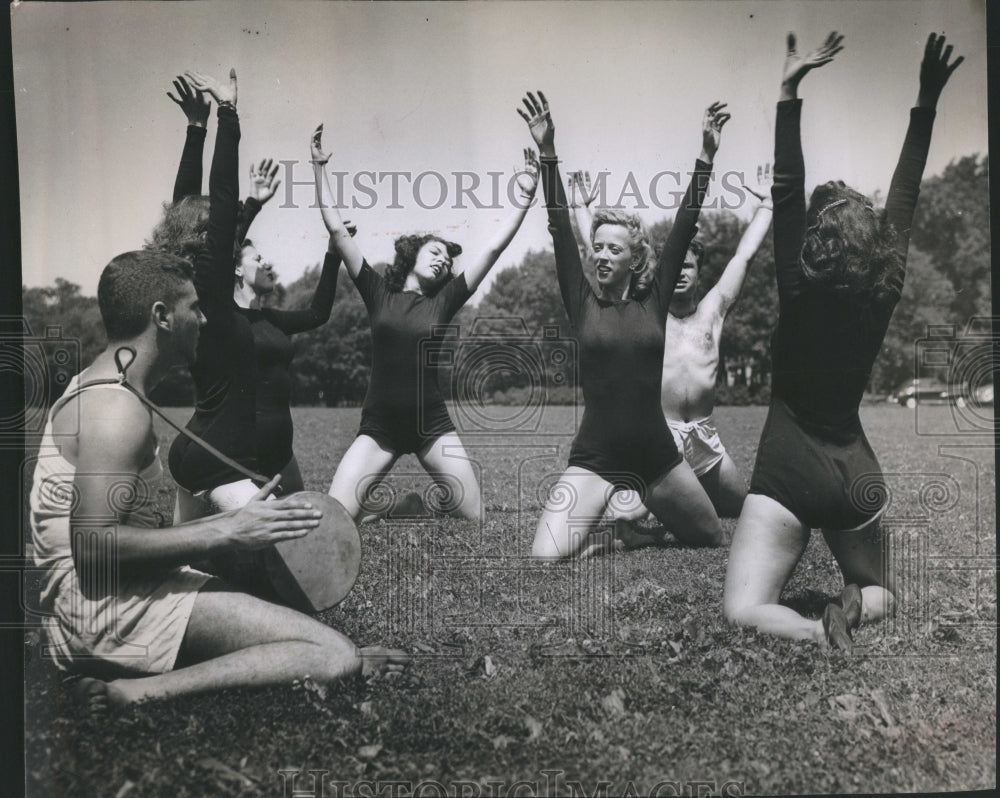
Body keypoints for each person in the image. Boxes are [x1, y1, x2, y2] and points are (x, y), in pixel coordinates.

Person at [29, 248, 406, 715]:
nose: (205, 319)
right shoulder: (115, 411)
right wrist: (229, 529)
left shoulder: (104, 384)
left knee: (264, 604)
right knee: (336, 655)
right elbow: (91, 549)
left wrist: (230, 537)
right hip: (101, 615)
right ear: (162, 317)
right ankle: (132, 693)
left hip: (89, 606)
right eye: (195, 307)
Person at [722, 32, 963, 650]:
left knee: (745, 608)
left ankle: (812, 631)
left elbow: (785, 183)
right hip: (855, 469)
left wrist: (787, 91)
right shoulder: (885, 288)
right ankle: (851, 610)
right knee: (883, 590)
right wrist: (926, 101)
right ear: (871, 242)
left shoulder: (799, 290)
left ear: (813, 243)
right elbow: (905, 194)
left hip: (789, 466)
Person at [519, 90, 730, 559]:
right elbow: (559, 227)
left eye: (614, 249)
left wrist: (705, 156)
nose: (602, 255)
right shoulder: (582, 301)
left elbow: (683, 224)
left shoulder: (653, 301)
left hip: (656, 455)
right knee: (544, 556)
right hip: (595, 457)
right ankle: (619, 524)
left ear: (635, 260)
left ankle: (636, 523)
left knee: (712, 537)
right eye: (597, 247)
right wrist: (549, 153)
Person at [163, 72, 347, 582]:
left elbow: (188, 212)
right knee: (287, 576)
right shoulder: (215, 299)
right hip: (219, 463)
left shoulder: (192, 292)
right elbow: (216, 202)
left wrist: (197, 129)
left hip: (198, 453)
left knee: (182, 572)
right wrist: (227, 115)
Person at [317, 132, 540, 522]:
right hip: (380, 425)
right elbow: (338, 234)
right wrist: (319, 168)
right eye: (434, 252)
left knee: (475, 517)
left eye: (446, 260)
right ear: (412, 253)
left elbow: (492, 250)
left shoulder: (444, 299)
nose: (442, 261)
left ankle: (411, 506)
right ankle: (399, 506)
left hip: (431, 425)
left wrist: (524, 198)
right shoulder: (377, 291)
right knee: (336, 519)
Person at [568, 167, 774, 535]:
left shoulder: (714, 310)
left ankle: (666, 513)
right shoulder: (648, 310)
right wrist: (582, 208)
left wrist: (768, 206)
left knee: (743, 507)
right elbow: (597, 250)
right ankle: (646, 505)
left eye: (688, 266)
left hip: (706, 439)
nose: (679, 273)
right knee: (633, 509)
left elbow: (743, 257)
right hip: (657, 439)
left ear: (698, 271)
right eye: (674, 267)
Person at [147, 73, 279, 263]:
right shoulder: (206, 276)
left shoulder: (180, 274)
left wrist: (197, 129)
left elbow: (184, 207)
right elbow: (222, 192)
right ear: (201, 237)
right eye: (215, 215)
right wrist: (227, 109)